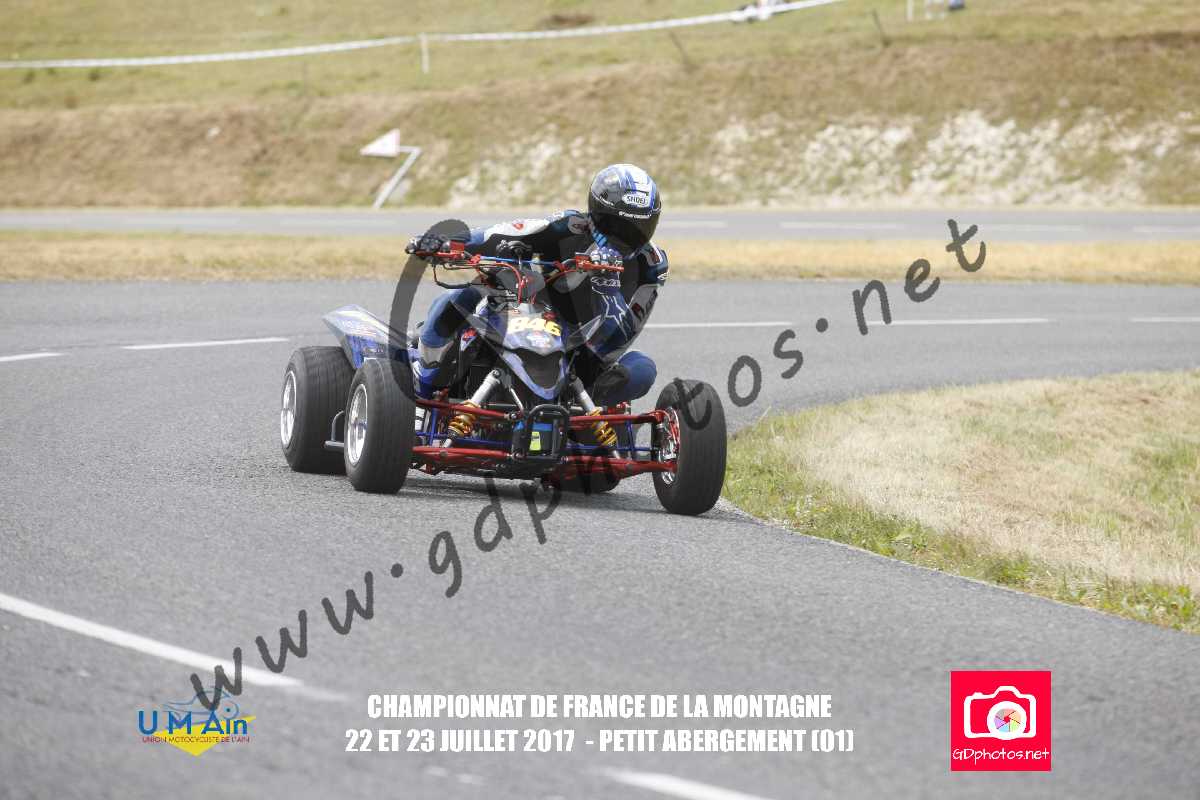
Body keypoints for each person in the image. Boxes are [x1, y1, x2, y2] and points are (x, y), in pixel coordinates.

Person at [404, 163, 668, 409]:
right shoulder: (569, 226)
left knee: (642, 369)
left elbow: (617, 342)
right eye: (616, 225)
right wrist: (445, 242)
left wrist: (606, 287)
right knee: (459, 297)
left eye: (639, 227)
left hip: (583, 354)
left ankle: (589, 421)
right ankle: (423, 385)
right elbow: (500, 233)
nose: (626, 237)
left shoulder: (652, 267)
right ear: (595, 213)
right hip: (525, 315)